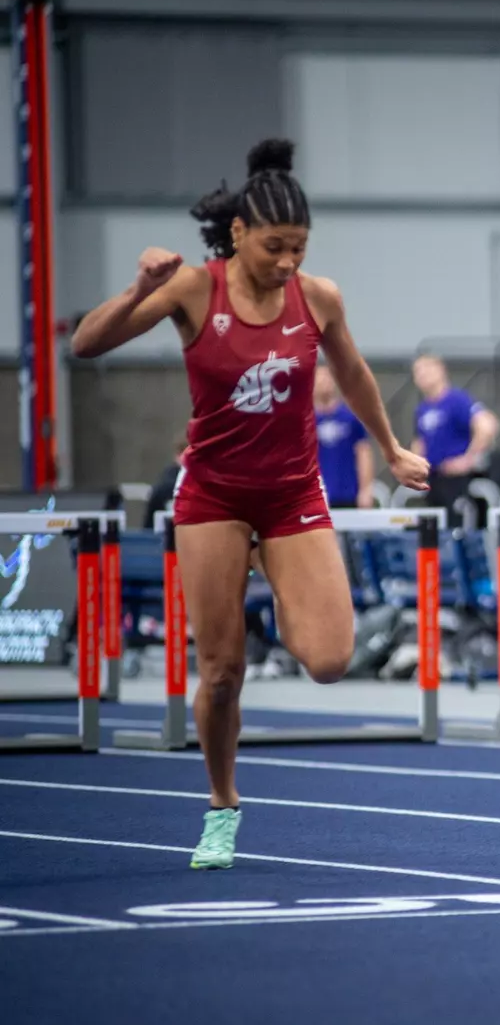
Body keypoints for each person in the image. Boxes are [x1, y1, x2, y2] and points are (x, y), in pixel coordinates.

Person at [68, 138, 429, 867]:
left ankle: (274, 567)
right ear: (238, 234)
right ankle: (222, 804)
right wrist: (140, 290)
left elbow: (353, 372)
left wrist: (389, 447)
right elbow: (83, 344)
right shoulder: (193, 289)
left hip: (292, 495)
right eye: (274, 247)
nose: (287, 261)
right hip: (214, 499)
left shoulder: (317, 297)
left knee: (329, 658)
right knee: (223, 672)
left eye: (298, 247)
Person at [410, 353, 498, 516]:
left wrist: (468, 459)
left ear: (440, 370)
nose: (422, 375)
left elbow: (486, 425)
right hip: (434, 481)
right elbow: (419, 442)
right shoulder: (422, 409)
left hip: (457, 482)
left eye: (426, 369)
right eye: (417, 372)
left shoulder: (457, 400)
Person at [314, 363, 376, 509]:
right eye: (319, 378)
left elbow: (363, 452)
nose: (323, 382)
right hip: (316, 496)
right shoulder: (305, 421)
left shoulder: (350, 417)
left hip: (348, 494)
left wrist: (366, 490)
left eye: (327, 377)